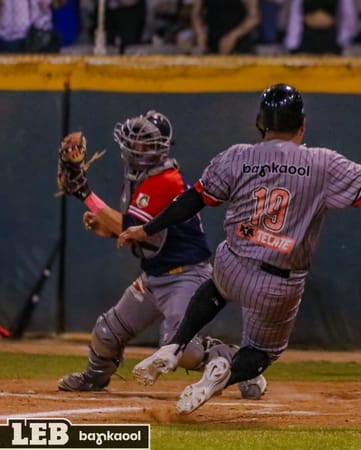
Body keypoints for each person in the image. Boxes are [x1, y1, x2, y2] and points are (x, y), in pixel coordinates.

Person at [117, 83, 361, 414]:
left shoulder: (236, 156)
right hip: (278, 281)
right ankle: (222, 374)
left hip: (234, 262)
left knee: (215, 288)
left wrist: (146, 228)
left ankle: (174, 345)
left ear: (260, 123)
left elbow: (191, 200)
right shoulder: (322, 163)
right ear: (302, 124)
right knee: (261, 352)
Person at [57, 110, 266, 400]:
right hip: (155, 276)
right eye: (133, 143)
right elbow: (128, 233)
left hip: (185, 276)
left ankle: (235, 359)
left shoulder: (165, 180)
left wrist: (85, 194)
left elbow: (132, 227)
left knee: (178, 349)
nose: (134, 149)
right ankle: (94, 378)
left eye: (143, 144)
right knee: (107, 333)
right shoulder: (138, 178)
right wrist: (100, 222)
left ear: (158, 148)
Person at [284, 0, 356, 54]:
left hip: (330, 38)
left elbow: (348, 15)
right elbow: (295, 16)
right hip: (307, 37)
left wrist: (343, 42)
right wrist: (292, 44)